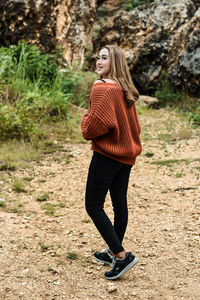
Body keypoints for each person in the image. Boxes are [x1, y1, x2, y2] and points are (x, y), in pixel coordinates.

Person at [81, 45, 142, 280]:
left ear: (114, 63)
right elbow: (134, 127)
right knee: (119, 203)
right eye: (98, 57)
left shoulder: (102, 87)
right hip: (126, 156)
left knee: (93, 205)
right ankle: (113, 251)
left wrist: (85, 119)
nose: (98, 61)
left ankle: (120, 255)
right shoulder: (126, 89)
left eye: (104, 58)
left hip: (107, 156)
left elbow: (94, 127)